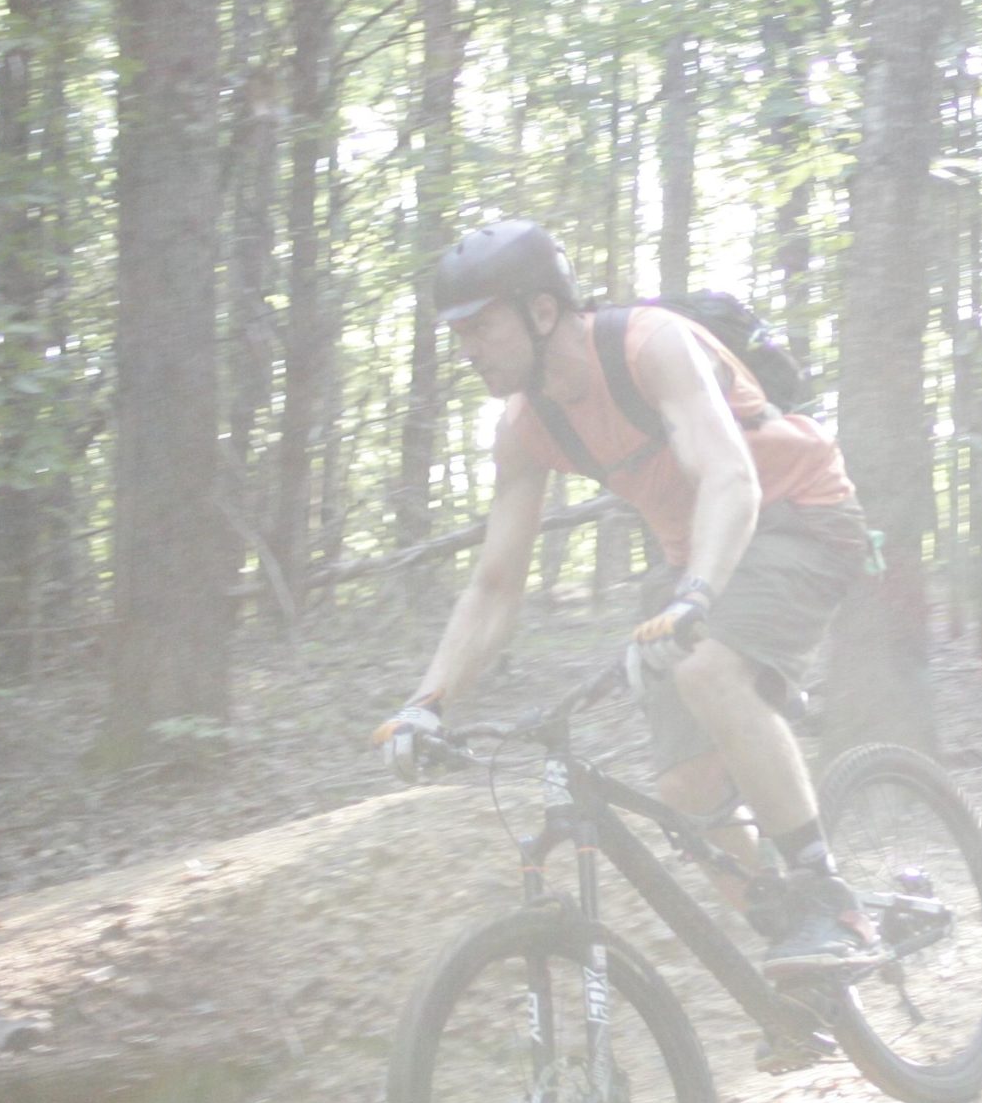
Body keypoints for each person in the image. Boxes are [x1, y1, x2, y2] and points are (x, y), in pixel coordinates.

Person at [370, 217, 875, 975]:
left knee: (706, 668)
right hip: (693, 560)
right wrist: (429, 701)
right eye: (457, 332)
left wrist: (695, 597)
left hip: (800, 511)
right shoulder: (524, 427)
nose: (466, 348)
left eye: (481, 326)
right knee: (683, 783)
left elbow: (730, 477)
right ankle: (802, 962)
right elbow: (495, 582)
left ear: (543, 312)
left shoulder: (650, 345)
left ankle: (830, 904)